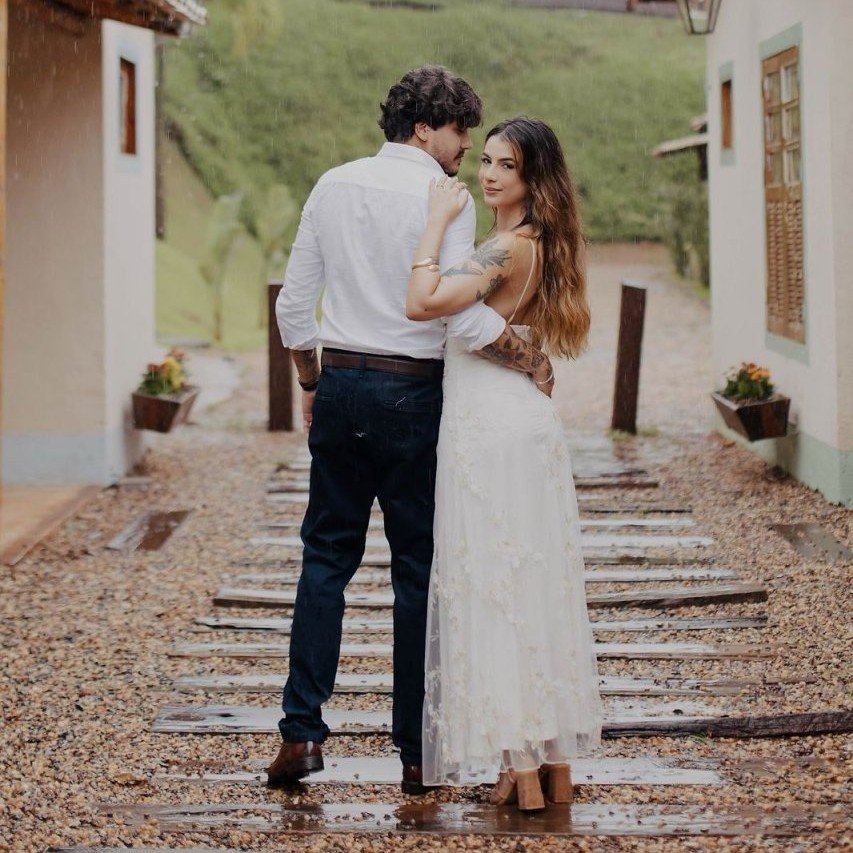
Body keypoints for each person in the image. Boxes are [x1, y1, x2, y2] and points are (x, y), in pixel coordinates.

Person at [268, 69, 553, 795]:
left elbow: (295, 307)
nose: (465, 151)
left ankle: (300, 733)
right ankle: (416, 752)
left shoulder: (333, 184)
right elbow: (456, 312)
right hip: (413, 393)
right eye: (460, 134)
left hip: (342, 382)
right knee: (417, 572)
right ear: (425, 129)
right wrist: (529, 358)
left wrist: (312, 383)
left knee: (324, 559)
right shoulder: (445, 197)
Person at [406, 117, 603, 812]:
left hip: (489, 428)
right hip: (523, 421)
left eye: (506, 166)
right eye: (485, 160)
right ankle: (548, 764)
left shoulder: (506, 246)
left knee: (495, 588)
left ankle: (521, 762)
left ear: (532, 178)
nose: (488, 174)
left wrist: (434, 224)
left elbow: (421, 302)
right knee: (534, 589)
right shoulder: (547, 243)